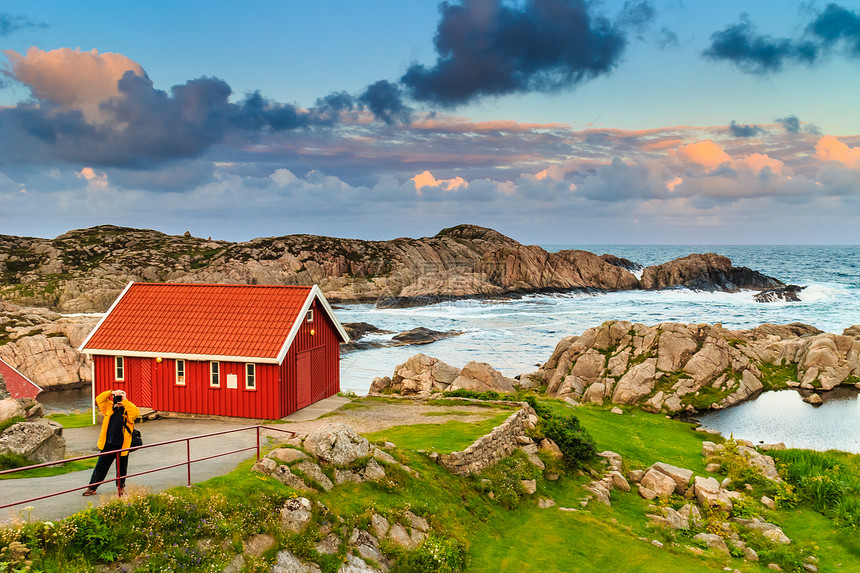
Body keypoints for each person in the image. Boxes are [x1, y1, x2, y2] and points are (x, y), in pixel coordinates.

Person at [83, 389, 140, 497]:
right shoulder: (109, 407)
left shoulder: (128, 411)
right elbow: (99, 399)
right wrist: (111, 393)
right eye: (117, 398)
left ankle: (121, 488)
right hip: (108, 444)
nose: (118, 400)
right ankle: (92, 488)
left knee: (122, 470)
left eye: (120, 398)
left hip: (122, 445)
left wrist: (124, 400)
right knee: (100, 467)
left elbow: (135, 413)